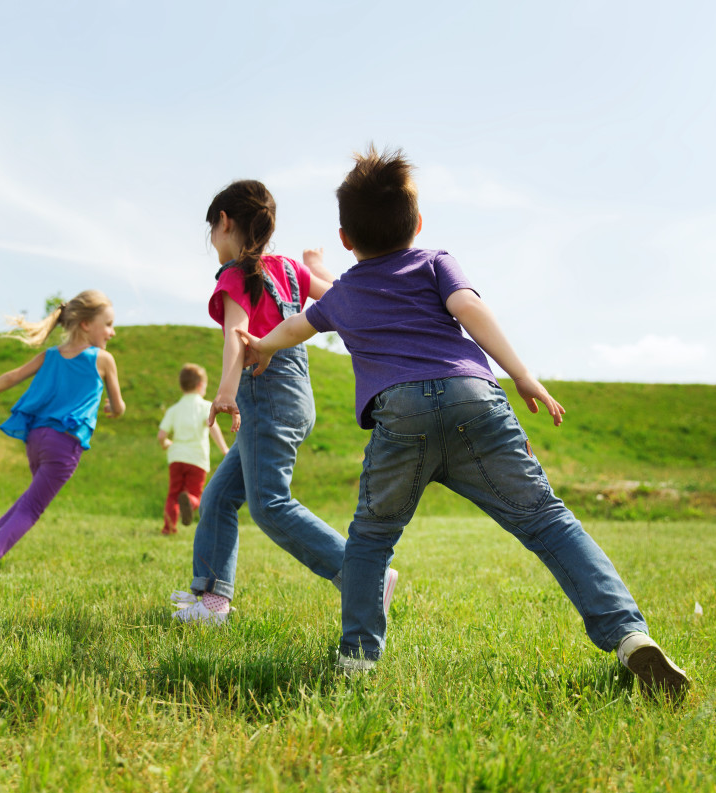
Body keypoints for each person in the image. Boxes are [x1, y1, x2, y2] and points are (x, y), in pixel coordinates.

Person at [239, 147, 689, 698]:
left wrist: (260, 347)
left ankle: (358, 660)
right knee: (548, 522)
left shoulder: (346, 292)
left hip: (399, 414)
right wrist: (521, 374)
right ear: (418, 224)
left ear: (346, 238)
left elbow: (297, 328)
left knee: (370, 541)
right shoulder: (434, 262)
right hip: (474, 399)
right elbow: (471, 311)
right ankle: (629, 636)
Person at [171, 179, 397, 625]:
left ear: (225, 222)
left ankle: (366, 577)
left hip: (264, 396)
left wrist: (224, 392)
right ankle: (212, 602)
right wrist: (320, 267)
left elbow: (237, 339)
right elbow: (339, 298)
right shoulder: (290, 269)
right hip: (295, 398)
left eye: (211, 232)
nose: (213, 242)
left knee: (270, 503)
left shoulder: (237, 275)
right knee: (218, 497)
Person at [0, 290, 125, 574]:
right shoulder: (103, 360)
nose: (112, 332)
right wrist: (113, 409)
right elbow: (119, 406)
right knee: (34, 506)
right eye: (108, 324)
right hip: (65, 445)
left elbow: (12, 376)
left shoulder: (50, 356)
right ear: (86, 324)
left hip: (36, 438)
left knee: (34, 493)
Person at [157, 363, 229, 535]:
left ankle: (169, 527)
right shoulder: (205, 407)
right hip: (197, 459)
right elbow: (212, 427)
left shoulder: (174, 409)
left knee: (173, 493)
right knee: (195, 493)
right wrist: (225, 449)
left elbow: (161, 435)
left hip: (176, 457)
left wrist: (166, 443)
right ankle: (189, 501)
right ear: (200, 385)